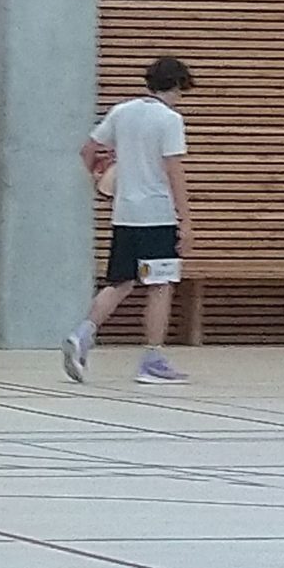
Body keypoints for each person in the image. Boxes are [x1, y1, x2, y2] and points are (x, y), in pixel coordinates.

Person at [63, 57, 196, 385]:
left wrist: (99, 182)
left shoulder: (122, 112)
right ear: (175, 85)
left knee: (120, 282)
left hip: (125, 215)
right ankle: (152, 359)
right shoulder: (170, 119)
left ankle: (82, 334)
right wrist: (186, 221)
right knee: (160, 285)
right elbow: (174, 171)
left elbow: (87, 150)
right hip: (157, 216)